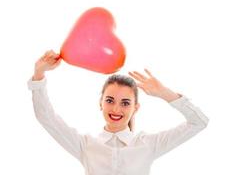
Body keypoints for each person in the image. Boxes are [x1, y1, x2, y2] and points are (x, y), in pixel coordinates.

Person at [27, 49, 209, 175]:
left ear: (135, 108)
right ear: (101, 103)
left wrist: (165, 93)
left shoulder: (148, 145)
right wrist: (38, 75)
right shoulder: (85, 145)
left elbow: (199, 122)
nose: (116, 109)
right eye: (110, 100)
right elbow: (46, 117)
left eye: (125, 103)